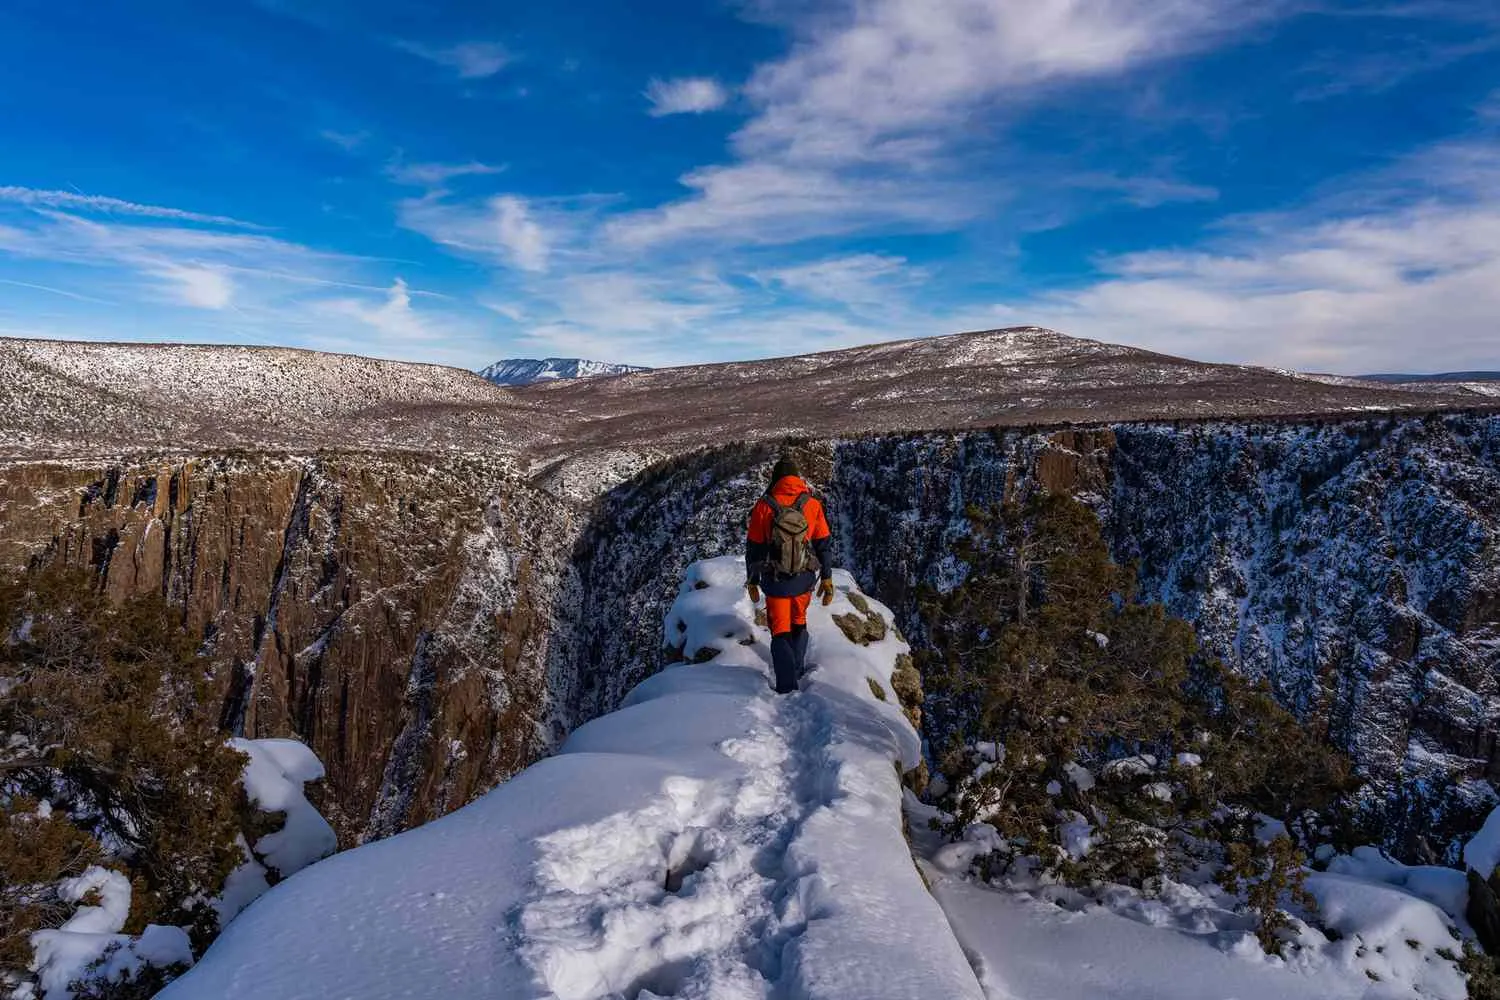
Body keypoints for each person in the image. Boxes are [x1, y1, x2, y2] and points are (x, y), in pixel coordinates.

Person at [745, 456, 835, 694]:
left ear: (776, 479)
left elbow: (754, 549)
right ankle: (797, 668)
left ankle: (787, 687)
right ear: (796, 478)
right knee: (799, 623)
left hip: (775, 582)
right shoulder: (812, 504)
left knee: (780, 631)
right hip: (804, 579)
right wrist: (826, 577)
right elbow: (823, 544)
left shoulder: (764, 506)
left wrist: (753, 581)